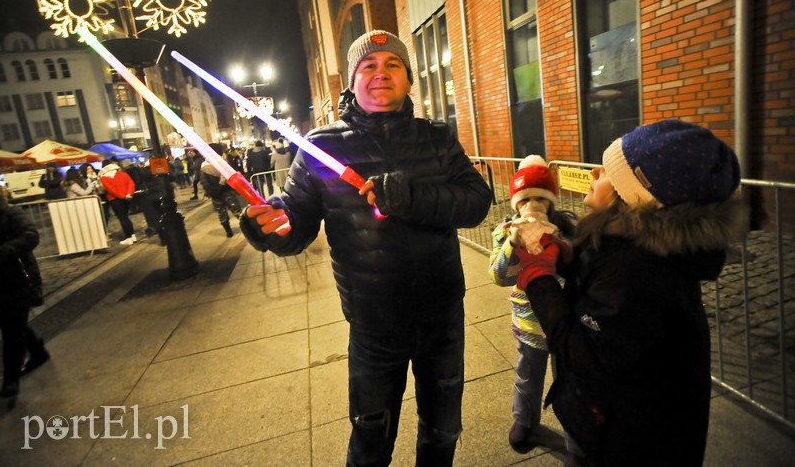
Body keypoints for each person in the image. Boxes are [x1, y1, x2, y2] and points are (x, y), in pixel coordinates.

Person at [240, 29, 491, 466]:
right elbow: (296, 225)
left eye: (393, 64)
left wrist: (411, 199)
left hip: (442, 313)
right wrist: (269, 228)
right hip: (375, 322)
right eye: (368, 66)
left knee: (444, 427)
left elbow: (476, 202)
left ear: (409, 80)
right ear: (352, 82)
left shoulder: (437, 138)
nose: (381, 74)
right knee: (372, 434)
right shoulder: (320, 146)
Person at [517, 120, 744, 465]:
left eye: (609, 172)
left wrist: (537, 277)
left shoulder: (639, 269)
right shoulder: (632, 242)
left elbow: (583, 351)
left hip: (626, 437)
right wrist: (567, 261)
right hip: (613, 417)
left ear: (636, 198)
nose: (593, 173)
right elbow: (603, 282)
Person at [488, 155, 576, 454]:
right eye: (527, 198)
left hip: (565, 321)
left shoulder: (566, 226)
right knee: (528, 375)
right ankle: (524, 423)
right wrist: (514, 242)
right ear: (516, 202)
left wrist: (558, 243)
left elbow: (576, 265)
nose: (534, 205)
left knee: (571, 381)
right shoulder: (505, 232)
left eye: (541, 198)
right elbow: (499, 276)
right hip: (529, 323)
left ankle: (577, 437)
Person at [0, 183, 51, 397]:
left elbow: (31, 235)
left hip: (17, 280)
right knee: (10, 324)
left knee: (12, 330)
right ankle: (37, 351)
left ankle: (10, 379)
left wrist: (1, 252)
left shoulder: (10, 213)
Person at [200, 143, 243, 238]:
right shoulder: (222, 163)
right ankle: (245, 227)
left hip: (215, 193)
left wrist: (211, 190)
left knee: (221, 212)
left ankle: (228, 231)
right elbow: (230, 175)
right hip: (226, 191)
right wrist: (222, 183)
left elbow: (204, 182)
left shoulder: (204, 166)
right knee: (236, 209)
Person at [99, 160, 137, 245]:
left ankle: (128, 238)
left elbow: (111, 190)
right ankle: (133, 235)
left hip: (115, 200)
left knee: (122, 218)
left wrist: (122, 196)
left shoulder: (104, 178)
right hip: (127, 198)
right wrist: (129, 194)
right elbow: (131, 184)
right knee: (126, 217)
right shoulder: (123, 174)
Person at [80, 163, 110, 227]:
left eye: (91, 168)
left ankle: (105, 229)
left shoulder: (97, 176)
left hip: (102, 196)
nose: (90, 170)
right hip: (92, 198)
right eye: (88, 169)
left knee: (105, 214)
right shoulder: (84, 180)